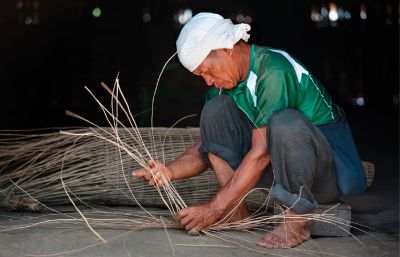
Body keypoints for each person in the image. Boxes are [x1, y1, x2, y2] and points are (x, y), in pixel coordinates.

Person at [132, 12, 367, 248]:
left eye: (206, 70)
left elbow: (261, 152)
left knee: (285, 122)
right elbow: (205, 147)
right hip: (279, 171)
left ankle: (297, 220)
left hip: (324, 175)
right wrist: (169, 172)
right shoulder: (225, 88)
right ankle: (236, 212)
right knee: (215, 110)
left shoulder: (273, 71)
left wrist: (214, 208)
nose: (207, 81)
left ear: (226, 49)